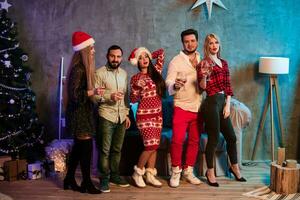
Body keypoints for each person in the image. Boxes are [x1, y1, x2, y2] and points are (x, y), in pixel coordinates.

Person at [197, 33, 246, 187]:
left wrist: (227, 104)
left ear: (219, 44)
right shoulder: (204, 63)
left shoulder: (224, 63)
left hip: (223, 102)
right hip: (211, 102)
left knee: (231, 137)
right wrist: (204, 76)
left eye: (216, 42)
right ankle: (210, 171)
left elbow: (228, 86)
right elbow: (202, 87)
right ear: (207, 46)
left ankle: (234, 167)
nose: (214, 45)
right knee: (214, 138)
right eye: (210, 43)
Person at [64, 31, 102, 194]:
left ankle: (69, 179)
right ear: (84, 50)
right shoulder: (79, 69)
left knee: (80, 149)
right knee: (85, 148)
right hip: (78, 114)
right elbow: (74, 96)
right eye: (91, 48)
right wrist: (92, 92)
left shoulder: (83, 68)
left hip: (83, 112)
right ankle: (86, 182)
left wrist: (93, 92)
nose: (93, 51)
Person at [165, 28, 204, 188]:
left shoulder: (203, 59)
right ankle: (175, 171)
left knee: (194, 140)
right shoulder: (176, 61)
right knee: (177, 140)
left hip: (199, 106)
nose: (190, 44)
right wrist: (174, 85)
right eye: (186, 41)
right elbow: (168, 82)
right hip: (181, 105)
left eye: (192, 41)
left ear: (197, 41)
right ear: (182, 43)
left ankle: (188, 171)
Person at [94, 45, 131, 193]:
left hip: (121, 117)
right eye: (112, 56)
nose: (115, 59)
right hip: (106, 116)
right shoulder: (100, 73)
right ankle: (104, 179)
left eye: (118, 57)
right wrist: (110, 96)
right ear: (107, 56)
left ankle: (115, 176)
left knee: (117, 149)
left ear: (121, 58)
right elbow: (95, 96)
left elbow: (126, 96)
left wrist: (126, 114)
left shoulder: (123, 74)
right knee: (105, 150)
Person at [128, 47, 166, 188]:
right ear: (136, 62)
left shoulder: (156, 72)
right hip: (144, 116)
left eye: (146, 57)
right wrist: (137, 88)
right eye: (140, 58)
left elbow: (161, 53)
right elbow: (132, 98)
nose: (144, 60)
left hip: (158, 115)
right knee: (149, 146)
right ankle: (137, 173)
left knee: (154, 146)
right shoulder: (135, 78)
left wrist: (149, 54)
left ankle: (150, 175)